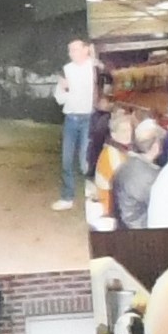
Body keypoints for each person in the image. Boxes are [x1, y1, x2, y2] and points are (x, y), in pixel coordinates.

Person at [58, 38, 105, 208]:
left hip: (88, 119)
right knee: (66, 160)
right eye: (70, 50)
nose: (71, 53)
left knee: (86, 160)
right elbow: (59, 99)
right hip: (70, 118)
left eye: (75, 49)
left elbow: (105, 82)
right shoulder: (66, 70)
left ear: (86, 50)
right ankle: (67, 197)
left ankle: (92, 194)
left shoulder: (95, 68)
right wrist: (64, 89)